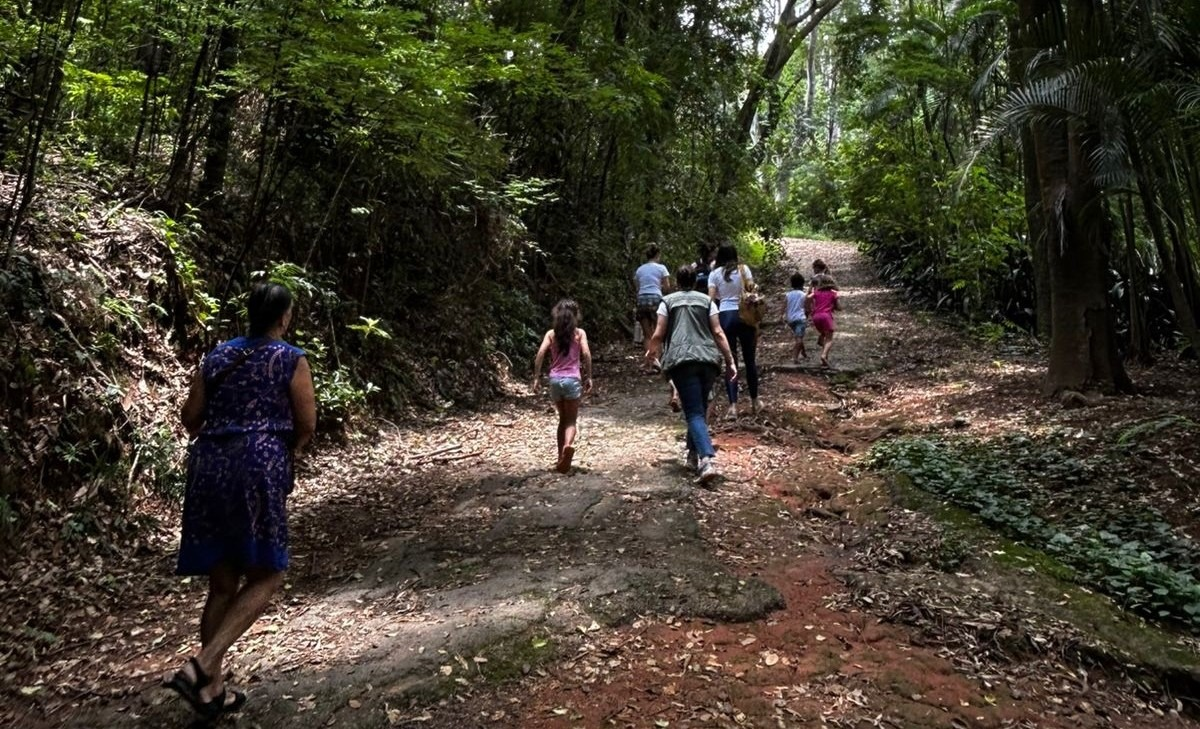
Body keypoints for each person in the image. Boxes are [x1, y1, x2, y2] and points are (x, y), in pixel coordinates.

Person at [164, 282, 317, 720]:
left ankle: (211, 694)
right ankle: (202, 666)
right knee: (268, 574)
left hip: (209, 465)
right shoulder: (290, 358)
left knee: (222, 582)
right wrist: (289, 451)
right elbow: (306, 422)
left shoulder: (217, 356)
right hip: (258, 466)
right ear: (283, 317)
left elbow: (190, 418)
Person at [645, 265, 737, 484]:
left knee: (694, 412)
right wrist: (730, 360)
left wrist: (651, 351)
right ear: (696, 281)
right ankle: (692, 455)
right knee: (700, 408)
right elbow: (717, 332)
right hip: (707, 360)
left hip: (682, 361)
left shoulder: (667, 302)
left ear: (677, 281)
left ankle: (706, 460)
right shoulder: (707, 301)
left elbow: (658, 333)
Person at [532, 299, 593, 473]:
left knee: (562, 419)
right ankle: (568, 446)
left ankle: (560, 458)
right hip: (572, 380)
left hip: (554, 381)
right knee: (571, 421)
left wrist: (536, 378)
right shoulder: (579, 333)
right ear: (576, 316)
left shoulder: (551, 334)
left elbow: (541, 353)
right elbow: (587, 354)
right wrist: (589, 377)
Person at [708, 243, 761, 418]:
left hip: (725, 316)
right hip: (744, 315)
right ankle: (755, 401)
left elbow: (711, 298)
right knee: (750, 360)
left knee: (731, 362)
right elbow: (752, 290)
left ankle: (732, 407)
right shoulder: (743, 269)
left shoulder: (714, 274)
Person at [634, 244, 671, 366]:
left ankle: (649, 362)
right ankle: (658, 361)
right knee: (657, 332)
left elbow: (638, 288)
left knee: (647, 334)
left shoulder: (640, 269)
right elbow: (667, 287)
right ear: (657, 255)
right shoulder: (661, 268)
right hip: (656, 299)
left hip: (642, 300)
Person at [807, 275, 841, 367]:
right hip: (826, 316)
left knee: (824, 334)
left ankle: (821, 341)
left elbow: (808, 297)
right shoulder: (833, 294)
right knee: (829, 339)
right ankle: (824, 355)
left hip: (816, 317)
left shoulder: (817, 292)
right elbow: (839, 308)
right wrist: (836, 299)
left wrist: (810, 308)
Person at [785, 272, 809, 363]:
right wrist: (808, 315)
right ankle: (795, 357)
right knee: (799, 339)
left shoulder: (788, 295)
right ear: (802, 283)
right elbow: (806, 307)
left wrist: (781, 316)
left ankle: (804, 353)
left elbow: (784, 306)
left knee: (798, 336)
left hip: (790, 320)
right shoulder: (803, 295)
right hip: (800, 319)